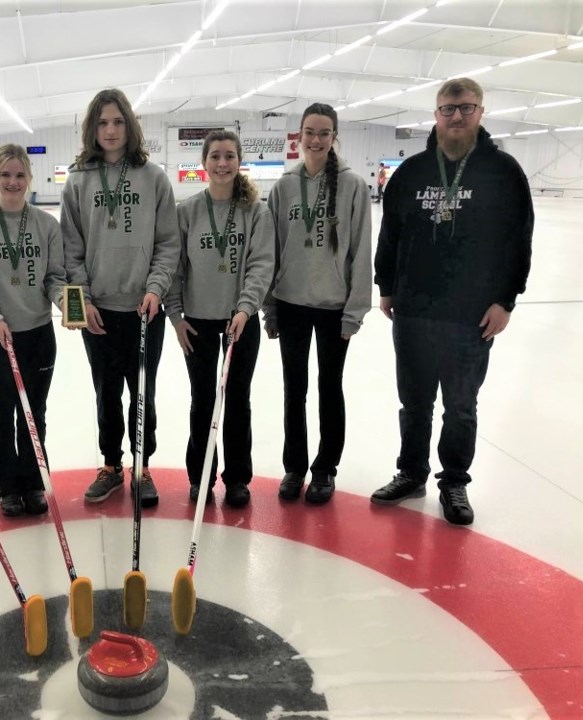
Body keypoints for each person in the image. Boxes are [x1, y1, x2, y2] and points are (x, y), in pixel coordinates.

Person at [372, 77, 533, 525]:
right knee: (415, 402)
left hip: (471, 314)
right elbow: (391, 234)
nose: (457, 116)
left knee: (461, 406)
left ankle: (455, 481)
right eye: (448, 108)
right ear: (436, 114)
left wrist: (506, 299)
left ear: (480, 111)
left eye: (466, 107)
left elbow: (518, 239)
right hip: (415, 309)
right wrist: (386, 286)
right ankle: (411, 472)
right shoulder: (412, 173)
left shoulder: (503, 172)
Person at [60, 88, 179, 508]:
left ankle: (142, 468)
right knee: (106, 393)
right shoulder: (77, 180)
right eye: (102, 122)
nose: (110, 130)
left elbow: (168, 242)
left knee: (143, 394)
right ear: (92, 129)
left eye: (117, 121)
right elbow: (70, 249)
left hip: (144, 309)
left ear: (130, 125)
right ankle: (111, 465)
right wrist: (83, 300)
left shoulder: (154, 178)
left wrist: (155, 288)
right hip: (99, 312)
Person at [263, 103, 372, 506]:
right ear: (299, 136)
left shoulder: (354, 186)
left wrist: (355, 310)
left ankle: (325, 469)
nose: (316, 139)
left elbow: (361, 251)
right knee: (295, 389)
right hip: (291, 302)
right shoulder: (284, 186)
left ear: (334, 137)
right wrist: (269, 307)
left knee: (330, 388)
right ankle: (295, 466)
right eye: (309, 131)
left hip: (333, 307)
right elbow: (270, 251)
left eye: (324, 133)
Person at [166, 130, 275, 508]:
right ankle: (201, 477)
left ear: (239, 161)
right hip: (197, 321)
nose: (222, 163)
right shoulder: (187, 212)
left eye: (229, 156)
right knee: (202, 401)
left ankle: (238, 479)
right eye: (215, 156)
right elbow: (174, 269)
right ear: (204, 163)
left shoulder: (255, 212)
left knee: (238, 401)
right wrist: (176, 316)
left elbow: (261, 266)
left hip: (238, 321)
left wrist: (246, 309)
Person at [0, 145, 66, 517]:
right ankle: (8, 487)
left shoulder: (47, 225)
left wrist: (67, 302)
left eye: (20, 175)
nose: (13, 182)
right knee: (0, 412)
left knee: (34, 413)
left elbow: (55, 278)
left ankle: (34, 482)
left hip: (36, 335)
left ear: (30, 179)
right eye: (6, 175)